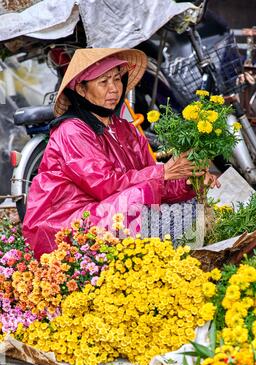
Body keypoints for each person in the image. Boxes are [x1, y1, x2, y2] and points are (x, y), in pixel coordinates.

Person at [23, 48, 219, 259]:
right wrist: (163, 173)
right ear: (81, 90)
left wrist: (189, 179)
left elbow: (154, 179)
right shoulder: (72, 131)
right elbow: (106, 185)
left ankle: (183, 260)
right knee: (138, 203)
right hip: (65, 226)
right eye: (103, 82)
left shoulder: (125, 129)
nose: (114, 89)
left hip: (108, 214)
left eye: (117, 79)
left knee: (191, 212)